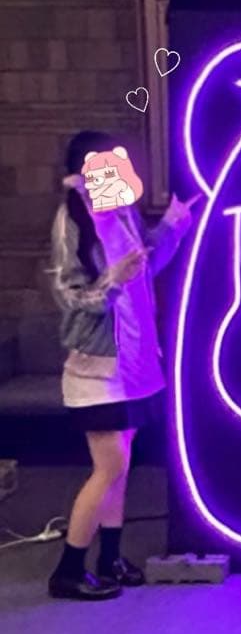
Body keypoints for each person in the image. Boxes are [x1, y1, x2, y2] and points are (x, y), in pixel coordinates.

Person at [46, 130, 199, 601]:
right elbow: (69, 297)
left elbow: (145, 265)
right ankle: (69, 569)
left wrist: (173, 225)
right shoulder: (72, 220)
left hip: (136, 360)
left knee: (121, 464)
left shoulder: (122, 209)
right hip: (98, 366)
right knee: (109, 466)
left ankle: (109, 558)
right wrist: (111, 281)